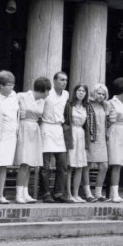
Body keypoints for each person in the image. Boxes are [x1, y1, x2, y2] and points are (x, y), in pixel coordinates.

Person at [13, 76, 49, 204]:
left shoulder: (42, 101)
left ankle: (25, 192)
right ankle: (18, 194)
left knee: (29, 164)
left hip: (34, 129)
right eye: (47, 90)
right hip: (24, 128)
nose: (48, 93)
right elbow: (13, 110)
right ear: (43, 90)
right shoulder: (21, 96)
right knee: (24, 163)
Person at [0, 70, 19, 205]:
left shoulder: (14, 96)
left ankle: (0, 194)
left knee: (4, 166)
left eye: (13, 84)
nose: (12, 87)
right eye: (9, 85)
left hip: (11, 136)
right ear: (1, 85)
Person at [39, 71, 69, 203]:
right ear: (55, 80)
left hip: (58, 128)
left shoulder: (66, 94)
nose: (64, 82)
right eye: (61, 80)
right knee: (45, 164)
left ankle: (58, 192)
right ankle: (46, 193)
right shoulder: (47, 93)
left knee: (62, 163)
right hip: (46, 126)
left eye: (66, 80)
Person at [105, 77, 123, 203]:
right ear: (122, 89)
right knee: (115, 163)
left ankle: (114, 193)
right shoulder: (110, 102)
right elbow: (106, 120)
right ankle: (113, 194)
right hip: (114, 131)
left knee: (120, 163)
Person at [64, 84, 90, 203]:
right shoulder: (69, 105)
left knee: (79, 166)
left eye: (83, 91)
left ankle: (76, 194)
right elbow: (65, 121)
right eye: (79, 90)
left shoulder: (86, 106)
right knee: (70, 166)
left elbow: (87, 124)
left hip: (81, 135)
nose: (81, 93)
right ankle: (68, 194)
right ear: (74, 92)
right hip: (71, 134)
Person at [85, 83, 110, 201]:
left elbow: (107, 122)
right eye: (98, 93)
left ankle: (98, 193)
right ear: (94, 93)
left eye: (103, 94)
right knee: (87, 166)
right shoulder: (88, 105)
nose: (100, 96)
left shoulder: (104, 106)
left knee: (104, 166)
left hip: (101, 138)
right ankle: (87, 193)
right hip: (90, 138)